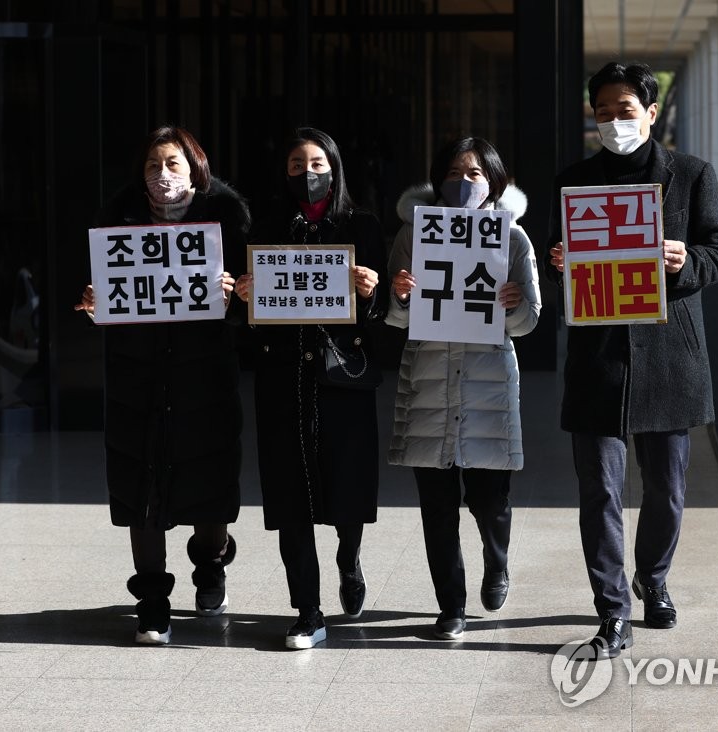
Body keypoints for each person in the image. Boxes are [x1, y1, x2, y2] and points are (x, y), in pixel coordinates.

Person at [547, 62, 718, 659]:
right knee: (599, 492)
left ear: (651, 114)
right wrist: (559, 266)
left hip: (669, 357)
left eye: (624, 110)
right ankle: (613, 611)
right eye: (601, 112)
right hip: (598, 359)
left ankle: (653, 580)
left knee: (666, 489)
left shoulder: (691, 175)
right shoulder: (575, 183)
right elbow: (561, 274)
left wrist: (689, 261)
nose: (612, 122)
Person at [75, 126, 250, 645]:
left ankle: (211, 568)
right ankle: (152, 600)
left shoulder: (228, 222)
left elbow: (253, 302)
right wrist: (93, 300)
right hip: (138, 380)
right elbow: (105, 297)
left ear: (195, 167)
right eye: (154, 165)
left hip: (204, 379)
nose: (162, 175)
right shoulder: (117, 223)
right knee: (142, 490)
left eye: (173, 163)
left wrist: (235, 295)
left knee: (210, 488)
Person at [234, 127, 387, 649]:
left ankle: (349, 556)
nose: (308, 173)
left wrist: (370, 293)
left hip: (341, 379)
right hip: (282, 382)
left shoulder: (362, 226)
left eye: (317, 162)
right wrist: (247, 300)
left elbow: (384, 314)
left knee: (345, 490)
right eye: (297, 164)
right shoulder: (267, 227)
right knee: (289, 499)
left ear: (336, 167)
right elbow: (245, 314)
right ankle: (307, 611)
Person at [387, 137, 541, 640]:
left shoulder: (513, 239)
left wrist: (514, 303)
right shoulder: (414, 234)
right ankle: (450, 605)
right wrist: (401, 295)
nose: (464, 182)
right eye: (454, 172)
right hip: (430, 383)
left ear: (494, 181)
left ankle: (496, 562)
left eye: (475, 174)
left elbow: (527, 323)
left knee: (490, 502)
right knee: (436, 508)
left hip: (487, 388)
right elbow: (392, 317)